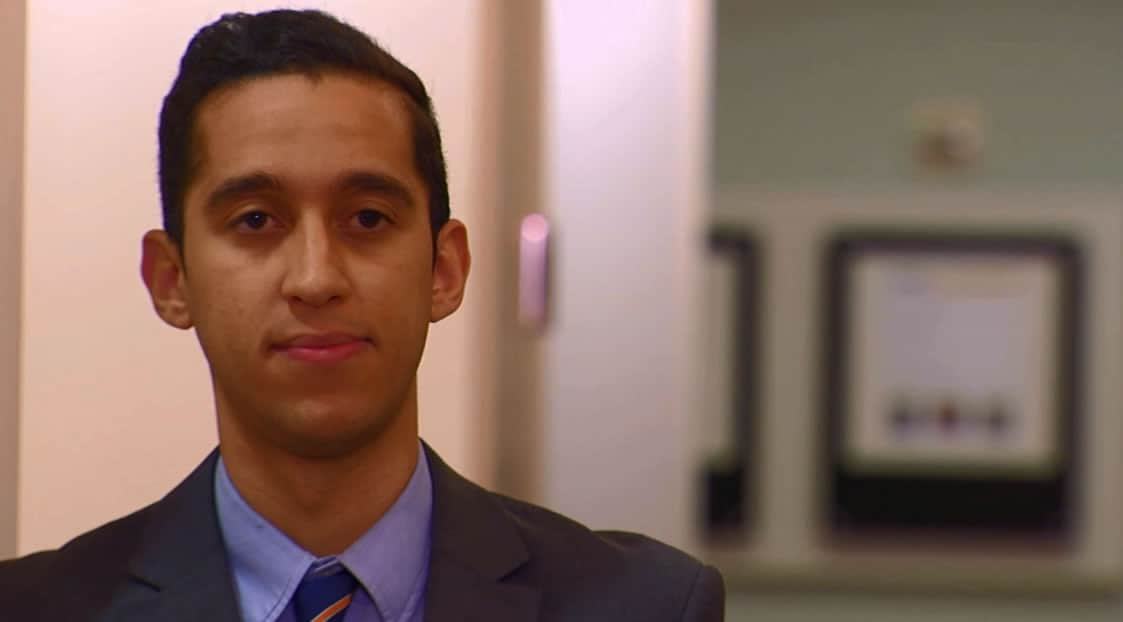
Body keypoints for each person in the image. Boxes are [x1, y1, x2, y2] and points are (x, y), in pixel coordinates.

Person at [0, 9, 725, 621]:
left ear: (444, 270)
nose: (316, 278)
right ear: (171, 279)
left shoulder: (645, 604)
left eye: (368, 218)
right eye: (256, 220)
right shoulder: (36, 607)